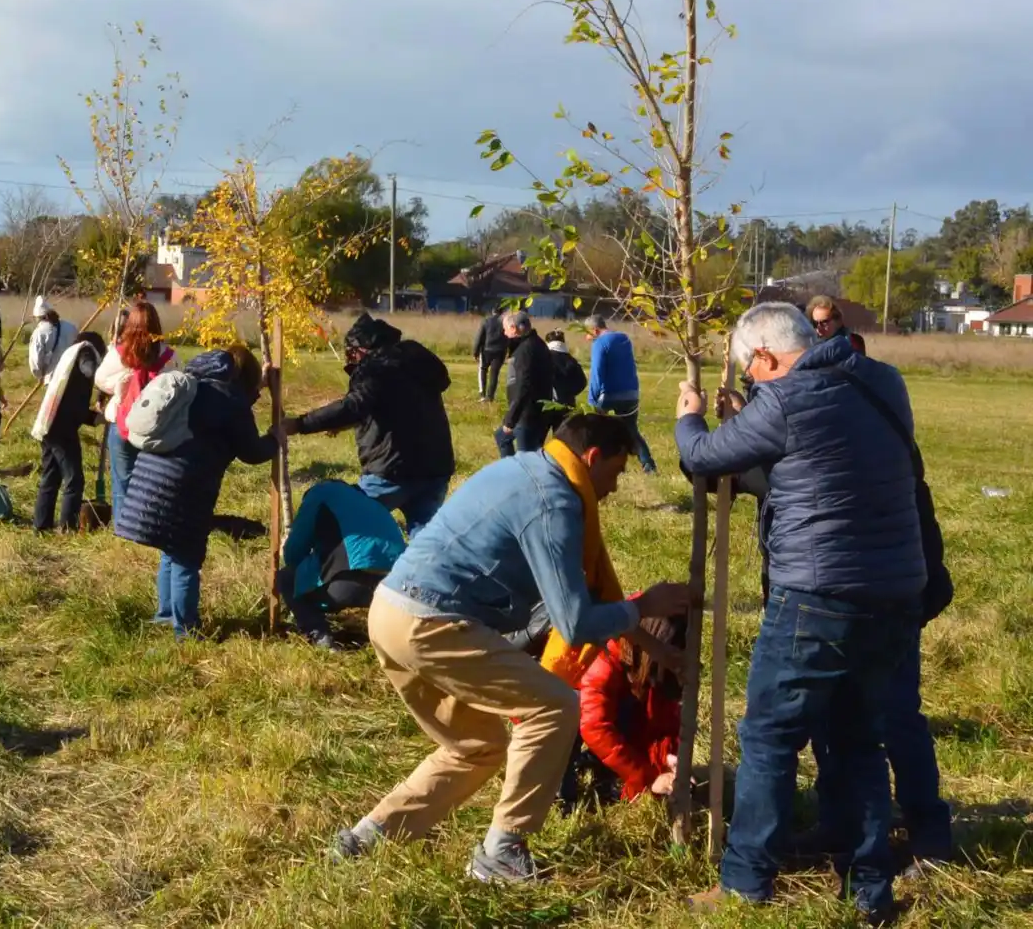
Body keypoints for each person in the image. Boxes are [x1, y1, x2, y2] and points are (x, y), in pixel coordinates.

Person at [330, 414, 692, 883]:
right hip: (431, 622)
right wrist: (643, 606)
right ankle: (502, 852)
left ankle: (367, 838)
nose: (615, 487)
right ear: (592, 457)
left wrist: (653, 648)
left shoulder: (526, 469)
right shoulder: (554, 501)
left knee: (476, 746)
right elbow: (577, 623)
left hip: (390, 612)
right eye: (617, 471)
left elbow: (592, 601)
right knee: (554, 706)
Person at [675, 302, 925, 922]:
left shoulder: (786, 402)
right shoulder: (883, 381)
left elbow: (702, 456)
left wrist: (689, 417)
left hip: (816, 595)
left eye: (751, 370)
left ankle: (745, 880)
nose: (752, 381)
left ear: (765, 357)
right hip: (896, 591)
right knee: (859, 739)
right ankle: (868, 888)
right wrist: (752, 413)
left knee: (770, 738)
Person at [115, 345, 277, 638]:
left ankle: (165, 615)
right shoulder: (230, 401)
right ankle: (186, 630)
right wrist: (275, 438)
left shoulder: (194, 385)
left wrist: (257, 387)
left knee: (171, 551)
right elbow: (252, 451)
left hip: (150, 478)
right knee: (186, 557)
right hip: (185, 487)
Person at [285, 314, 454, 537]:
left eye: (350, 354)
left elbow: (353, 405)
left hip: (392, 472)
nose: (350, 360)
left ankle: (329, 555)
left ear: (360, 349)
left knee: (347, 524)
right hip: (436, 468)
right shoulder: (414, 360)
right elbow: (396, 406)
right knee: (426, 540)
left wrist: (299, 424)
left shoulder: (375, 367)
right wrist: (346, 423)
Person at [276, 480, 406, 651]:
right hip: (394, 588)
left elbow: (294, 553)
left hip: (347, 584)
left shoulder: (318, 494)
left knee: (286, 577)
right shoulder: (370, 502)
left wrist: (285, 548)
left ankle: (320, 637)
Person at [579, 616, 685, 803]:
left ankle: (602, 769)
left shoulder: (654, 671)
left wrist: (668, 761)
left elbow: (663, 723)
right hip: (561, 714)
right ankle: (566, 787)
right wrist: (649, 778)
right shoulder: (604, 659)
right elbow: (595, 726)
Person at [94, 300, 179, 524]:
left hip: (122, 424)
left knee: (122, 481)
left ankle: (123, 529)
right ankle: (147, 526)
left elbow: (100, 379)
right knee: (151, 482)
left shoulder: (120, 353)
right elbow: (177, 386)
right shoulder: (168, 356)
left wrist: (121, 385)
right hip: (155, 428)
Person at [34, 331, 106, 532]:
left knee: (51, 477)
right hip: (61, 428)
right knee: (74, 479)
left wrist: (93, 416)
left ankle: (41, 525)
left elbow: (72, 400)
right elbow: (89, 370)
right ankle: (67, 528)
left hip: (49, 423)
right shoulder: (86, 351)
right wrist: (107, 381)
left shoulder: (70, 355)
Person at [585, 315, 656, 475]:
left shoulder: (600, 343)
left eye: (587, 333)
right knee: (631, 430)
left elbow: (597, 373)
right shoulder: (624, 339)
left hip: (608, 394)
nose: (586, 337)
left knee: (598, 430)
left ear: (595, 330)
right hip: (631, 393)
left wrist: (592, 399)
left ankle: (599, 465)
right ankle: (648, 464)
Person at [497, 312, 554, 458]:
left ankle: (516, 470)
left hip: (527, 414)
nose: (504, 333)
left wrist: (511, 419)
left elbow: (524, 385)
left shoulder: (526, 350)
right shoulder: (538, 343)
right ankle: (510, 467)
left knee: (528, 457)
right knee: (501, 437)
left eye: (505, 329)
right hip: (537, 411)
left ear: (513, 328)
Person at [545, 330, 588, 433]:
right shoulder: (571, 360)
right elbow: (582, 382)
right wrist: (569, 393)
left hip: (546, 403)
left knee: (538, 438)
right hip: (567, 404)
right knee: (562, 437)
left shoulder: (544, 357)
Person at [29, 296, 77, 383]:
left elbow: (36, 360)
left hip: (53, 378)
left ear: (39, 317)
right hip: (73, 375)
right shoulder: (71, 327)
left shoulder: (39, 333)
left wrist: (40, 375)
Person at [473, 307, 511, 402]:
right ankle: (490, 396)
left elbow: (480, 336)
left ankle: (482, 393)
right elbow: (509, 337)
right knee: (494, 374)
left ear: (492, 311)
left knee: (483, 370)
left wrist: (475, 351)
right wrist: (510, 351)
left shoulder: (486, 321)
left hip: (486, 350)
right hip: (500, 351)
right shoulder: (505, 322)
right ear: (501, 312)